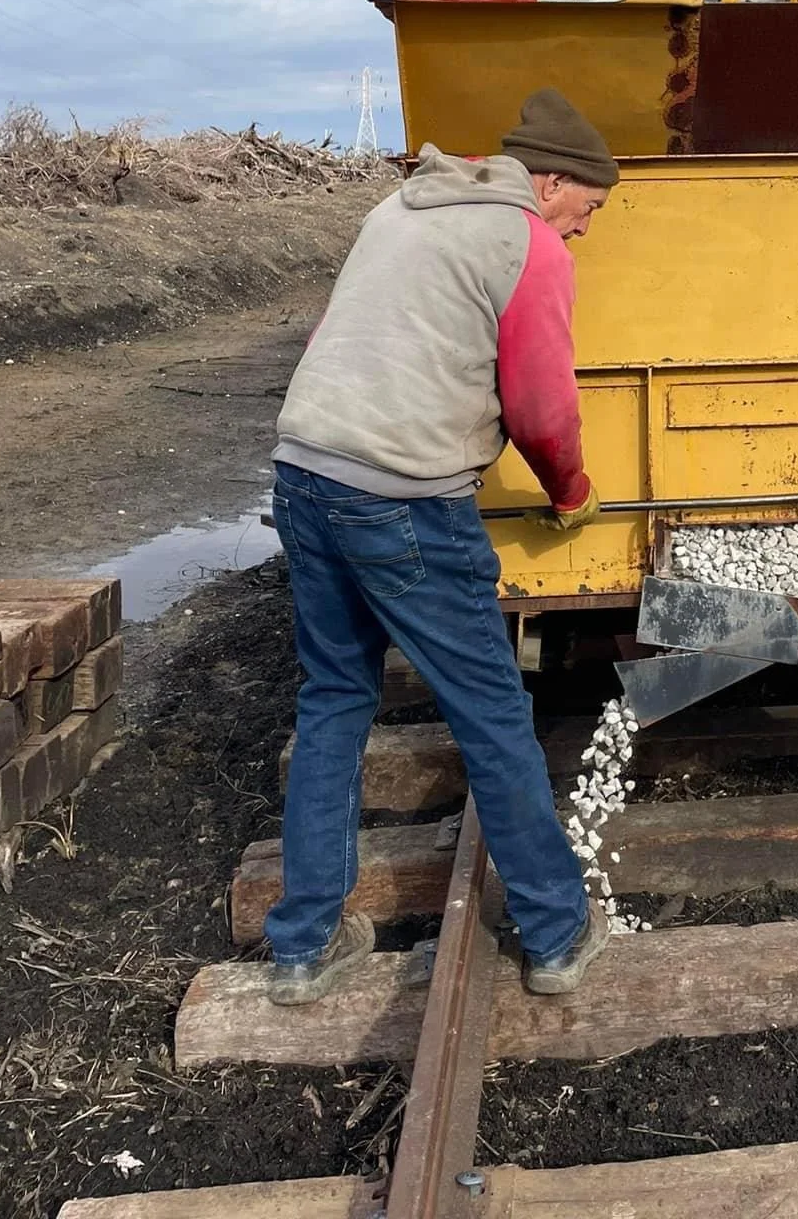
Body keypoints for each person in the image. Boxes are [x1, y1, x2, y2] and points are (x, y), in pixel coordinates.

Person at [263, 88, 617, 1005]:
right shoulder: (528, 244)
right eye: (591, 210)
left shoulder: (398, 208)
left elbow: (331, 338)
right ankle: (554, 930)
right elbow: (542, 405)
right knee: (492, 713)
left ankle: (303, 946)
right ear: (551, 184)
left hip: (303, 469)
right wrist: (569, 489)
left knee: (336, 696)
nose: (584, 231)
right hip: (404, 501)